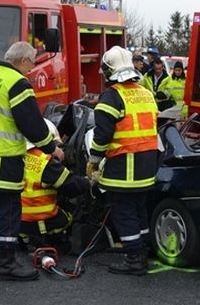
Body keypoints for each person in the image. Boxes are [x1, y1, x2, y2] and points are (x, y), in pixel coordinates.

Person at [0, 41, 64, 281]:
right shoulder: (17, 83)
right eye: (31, 63)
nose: (31, 68)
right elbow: (32, 124)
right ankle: (7, 264)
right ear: (22, 61)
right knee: (10, 210)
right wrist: (52, 148)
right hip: (6, 159)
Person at [86, 45, 159, 276]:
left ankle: (133, 258)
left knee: (123, 211)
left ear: (109, 71)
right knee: (139, 210)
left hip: (124, 166)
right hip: (148, 164)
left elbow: (102, 136)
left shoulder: (111, 96)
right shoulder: (146, 93)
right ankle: (144, 251)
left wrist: (94, 161)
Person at [20, 119, 92, 255]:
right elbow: (72, 187)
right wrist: (90, 181)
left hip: (17, 222)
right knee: (70, 213)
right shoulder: (46, 163)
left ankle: (25, 239)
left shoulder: (16, 157)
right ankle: (56, 239)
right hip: (42, 221)